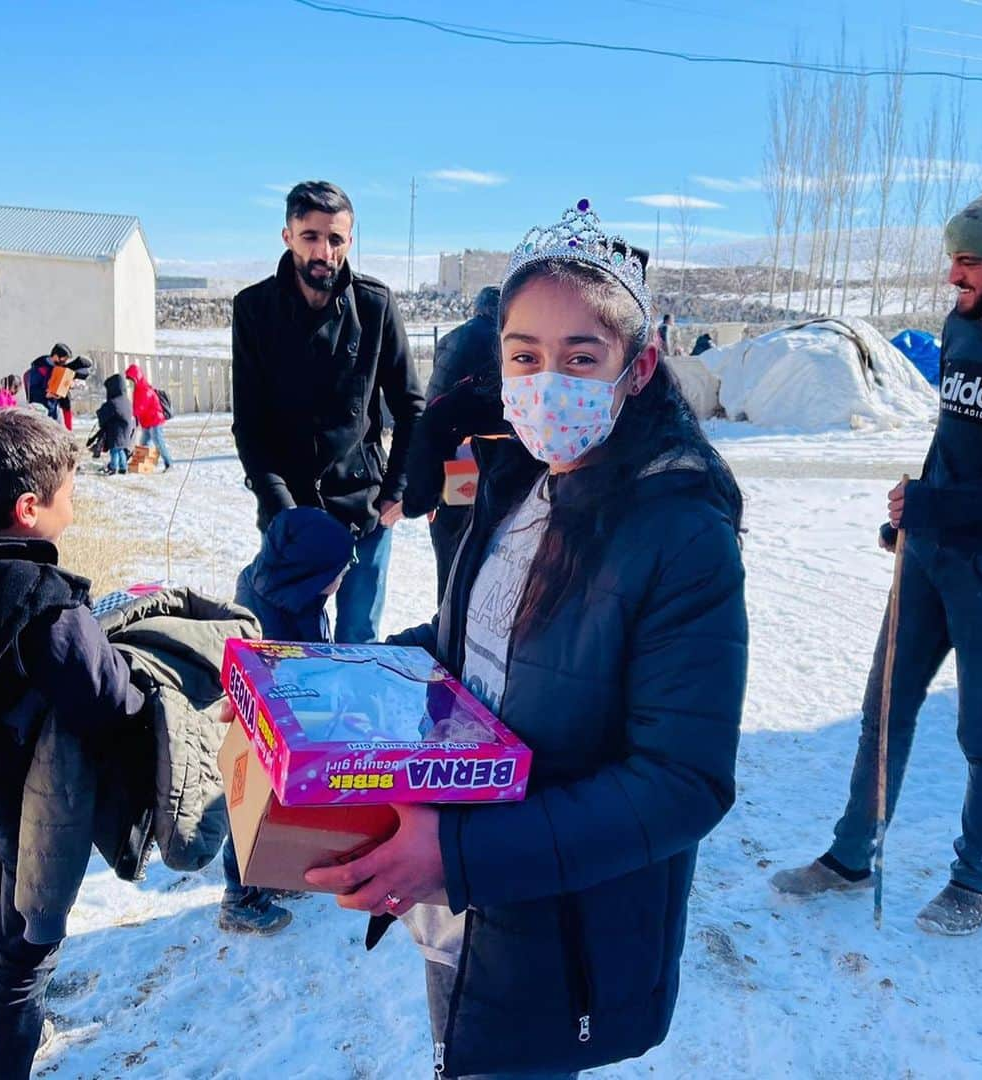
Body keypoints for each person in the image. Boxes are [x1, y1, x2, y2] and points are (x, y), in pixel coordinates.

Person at [306, 202, 748, 1079]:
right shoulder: (518, 482)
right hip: (458, 889)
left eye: (582, 357)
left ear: (639, 365)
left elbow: (682, 783)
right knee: (461, 1048)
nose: (550, 381)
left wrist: (462, 854)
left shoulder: (681, 536)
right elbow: (466, 646)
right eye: (525, 356)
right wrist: (325, 679)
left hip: (556, 913)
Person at [771, 190, 982, 934]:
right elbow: (953, 437)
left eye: (969, 261)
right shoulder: (961, 324)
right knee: (884, 710)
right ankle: (849, 855)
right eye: (952, 259)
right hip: (930, 552)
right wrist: (913, 513)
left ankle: (978, 881)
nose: (953, 276)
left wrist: (943, 508)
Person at [0, 406, 144, 1079]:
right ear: (28, 509)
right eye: (68, 497)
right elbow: (107, 703)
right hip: (21, 806)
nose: (72, 511)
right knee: (23, 953)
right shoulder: (44, 604)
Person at [232, 181, 424, 645]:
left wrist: (397, 488)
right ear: (287, 236)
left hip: (363, 510)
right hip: (290, 514)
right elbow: (251, 425)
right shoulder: (254, 309)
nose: (324, 251)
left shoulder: (375, 305)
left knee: (358, 640)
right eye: (311, 236)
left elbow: (411, 407)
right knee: (287, 644)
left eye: (336, 239)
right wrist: (282, 514)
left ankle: (352, 721)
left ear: (350, 242)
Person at [218, 506, 354, 934]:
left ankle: (273, 874)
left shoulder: (290, 592)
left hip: (293, 731)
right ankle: (240, 897)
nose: (343, 578)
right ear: (311, 574)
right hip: (268, 733)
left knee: (282, 811)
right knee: (252, 812)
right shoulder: (274, 621)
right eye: (339, 571)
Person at [402, 285, 506, 602]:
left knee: (452, 545)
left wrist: (427, 491)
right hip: (477, 457)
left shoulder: (453, 338)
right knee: (471, 545)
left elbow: (433, 410)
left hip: (452, 457)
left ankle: (447, 614)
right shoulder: (500, 342)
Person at [124, 364, 173, 471]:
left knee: (158, 442)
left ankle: (169, 463)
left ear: (136, 378)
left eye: (131, 379)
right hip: (147, 421)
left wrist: (130, 414)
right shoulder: (138, 390)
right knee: (144, 443)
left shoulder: (144, 390)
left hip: (155, 420)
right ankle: (143, 466)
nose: (130, 383)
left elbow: (140, 407)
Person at [94, 373, 135, 474]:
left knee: (114, 451)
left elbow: (104, 413)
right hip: (125, 430)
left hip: (116, 431)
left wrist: (100, 414)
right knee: (121, 449)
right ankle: (123, 467)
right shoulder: (126, 400)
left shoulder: (114, 402)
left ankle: (113, 467)